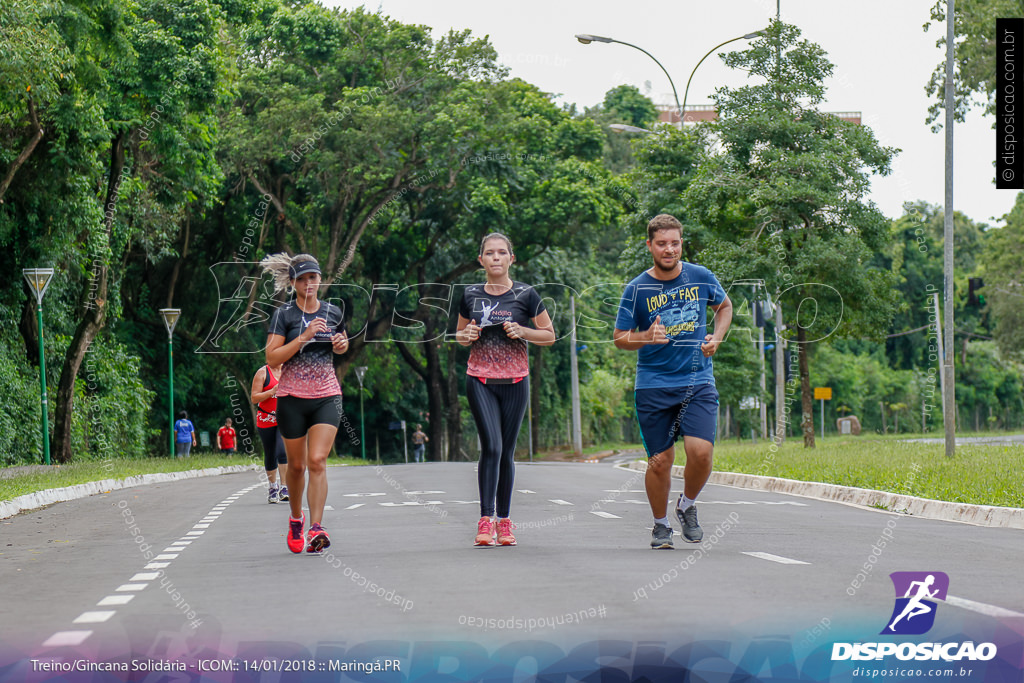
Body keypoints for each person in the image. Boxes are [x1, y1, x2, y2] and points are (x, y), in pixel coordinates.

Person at [613, 214, 733, 549]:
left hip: (697, 380)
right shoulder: (637, 289)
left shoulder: (700, 276)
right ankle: (660, 525)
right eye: (662, 244)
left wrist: (718, 338)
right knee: (660, 461)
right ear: (649, 245)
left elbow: (724, 307)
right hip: (653, 385)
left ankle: (687, 505)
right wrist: (645, 336)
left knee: (701, 453)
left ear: (682, 243)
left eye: (675, 243)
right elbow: (620, 338)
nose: (669, 250)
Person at [455, 232, 555, 547]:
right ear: (480, 260)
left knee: (507, 453)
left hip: (515, 380)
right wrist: (468, 333)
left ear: (511, 259)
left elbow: (549, 335)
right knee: (493, 448)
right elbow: (459, 336)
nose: (496, 258)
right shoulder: (470, 294)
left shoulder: (527, 295)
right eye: (490, 253)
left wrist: (523, 330)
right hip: (480, 379)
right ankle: (485, 521)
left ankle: (505, 522)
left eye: (502, 253)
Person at [262, 253, 348, 554]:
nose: (308, 283)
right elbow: (271, 358)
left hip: (326, 394)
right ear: (293, 282)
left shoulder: (333, 312)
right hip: (291, 399)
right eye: (302, 278)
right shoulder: (283, 315)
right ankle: (297, 519)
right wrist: (305, 337)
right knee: (296, 467)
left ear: (320, 279)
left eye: (313, 277)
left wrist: (340, 344)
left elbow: (343, 343)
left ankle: (316, 527)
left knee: (317, 462)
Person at [251, 363, 289, 504]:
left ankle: (284, 487)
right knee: (270, 452)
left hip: (284, 418)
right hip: (266, 418)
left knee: (282, 451)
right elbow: (254, 398)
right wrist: (272, 391)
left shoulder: (289, 370)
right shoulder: (262, 373)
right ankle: (273, 487)